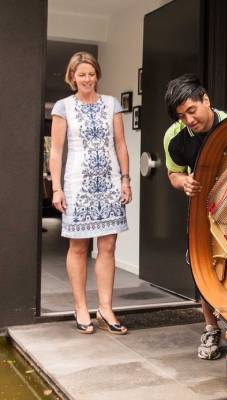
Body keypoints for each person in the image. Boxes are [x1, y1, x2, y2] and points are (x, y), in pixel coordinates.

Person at [49, 52, 132, 335]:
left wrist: (125, 180)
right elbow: (57, 151)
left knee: (108, 246)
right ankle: (81, 307)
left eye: (91, 73)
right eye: (81, 74)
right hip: (76, 187)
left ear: (97, 75)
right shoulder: (63, 107)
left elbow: (120, 144)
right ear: (72, 77)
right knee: (79, 247)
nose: (87, 79)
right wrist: (57, 188)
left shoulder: (111, 105)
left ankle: (106, 308)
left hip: (109, 185)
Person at [163, 74, 227, 359]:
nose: (189, 120)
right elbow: (172, 174)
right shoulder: (174, 136)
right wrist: (183, 183)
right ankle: (211, 327)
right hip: (201, 209)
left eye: (192, 111)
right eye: (182, 116)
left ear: (206, 100)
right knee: (201, 266)